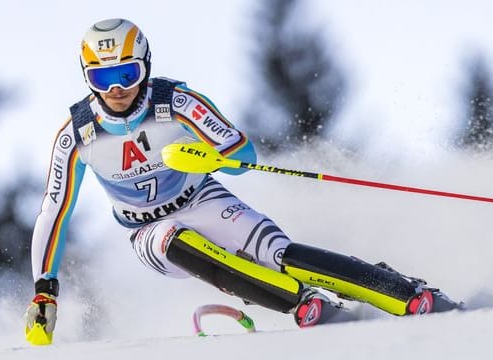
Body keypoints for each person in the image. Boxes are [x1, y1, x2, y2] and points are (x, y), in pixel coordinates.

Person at [24, 18, 463, 344]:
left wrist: (209, 159)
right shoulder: (77, 135)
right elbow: (54, 212)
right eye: (102, 77)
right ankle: (300, 303)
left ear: (145, 66)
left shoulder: (177, 103)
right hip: (147, 229)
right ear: (87, 76)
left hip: (201, 198)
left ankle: (404, 293)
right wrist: (45, 291)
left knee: (279, 254)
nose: (116, 89)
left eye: (126, 74)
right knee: (172, 240)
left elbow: (243, 157)